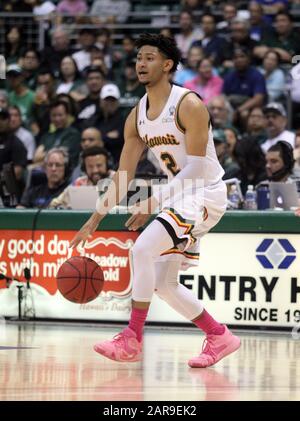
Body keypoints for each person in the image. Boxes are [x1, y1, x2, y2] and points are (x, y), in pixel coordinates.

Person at [70, 33, 241, 367]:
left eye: (149, 57)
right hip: (179, 195)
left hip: (204, 192)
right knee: (163, 283)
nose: (141, 64)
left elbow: (197, 168)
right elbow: (123, 175)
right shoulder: (136, 116)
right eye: (137, 58)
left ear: (168, 65)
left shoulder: (189, 104)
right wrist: (95, 219)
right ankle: (220, 336)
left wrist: (152, 202)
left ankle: (132, 337)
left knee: (142, 250)